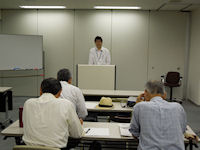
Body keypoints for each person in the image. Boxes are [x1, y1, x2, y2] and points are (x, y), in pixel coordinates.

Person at [23, 78, 83, 150]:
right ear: (60, 92)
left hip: (28, 148)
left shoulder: (28, 103)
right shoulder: (66, 104)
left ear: (40, 91)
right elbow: (77, 134)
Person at [129, 80, 187, 150]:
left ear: (145, 93)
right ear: (164, 94)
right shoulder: (178, 107)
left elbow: (134, 133)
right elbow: (182, 131)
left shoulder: (139, 106)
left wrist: (137, 104)